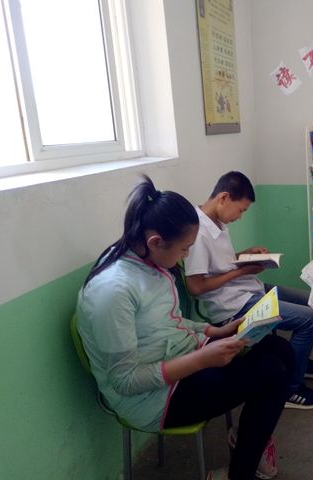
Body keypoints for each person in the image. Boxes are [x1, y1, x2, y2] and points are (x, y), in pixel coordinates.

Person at [76, 175, 294, 480]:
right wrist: (203, 358)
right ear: (155, 241)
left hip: (181, 356)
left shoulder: (150, 264)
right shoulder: (113, 292)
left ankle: (250, 438)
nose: (187, 256)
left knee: (280, 349)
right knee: (272, 373)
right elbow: (125, 381)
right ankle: (241, 470)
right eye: (184, 249)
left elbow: (170, 321)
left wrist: (214, 332)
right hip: (154, 399)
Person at [185, 171, 313, 410]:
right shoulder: (198, 233)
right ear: (224, 198)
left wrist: (245, 254)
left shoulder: (217, 222)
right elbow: (196, 286)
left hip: (248, 289)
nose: (240, 216)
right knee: (308, 320)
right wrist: (242, 271)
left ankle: (299, 361)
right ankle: (290, 389)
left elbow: (218, 264)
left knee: (311, 301)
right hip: (233, 305)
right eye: (241, 210)